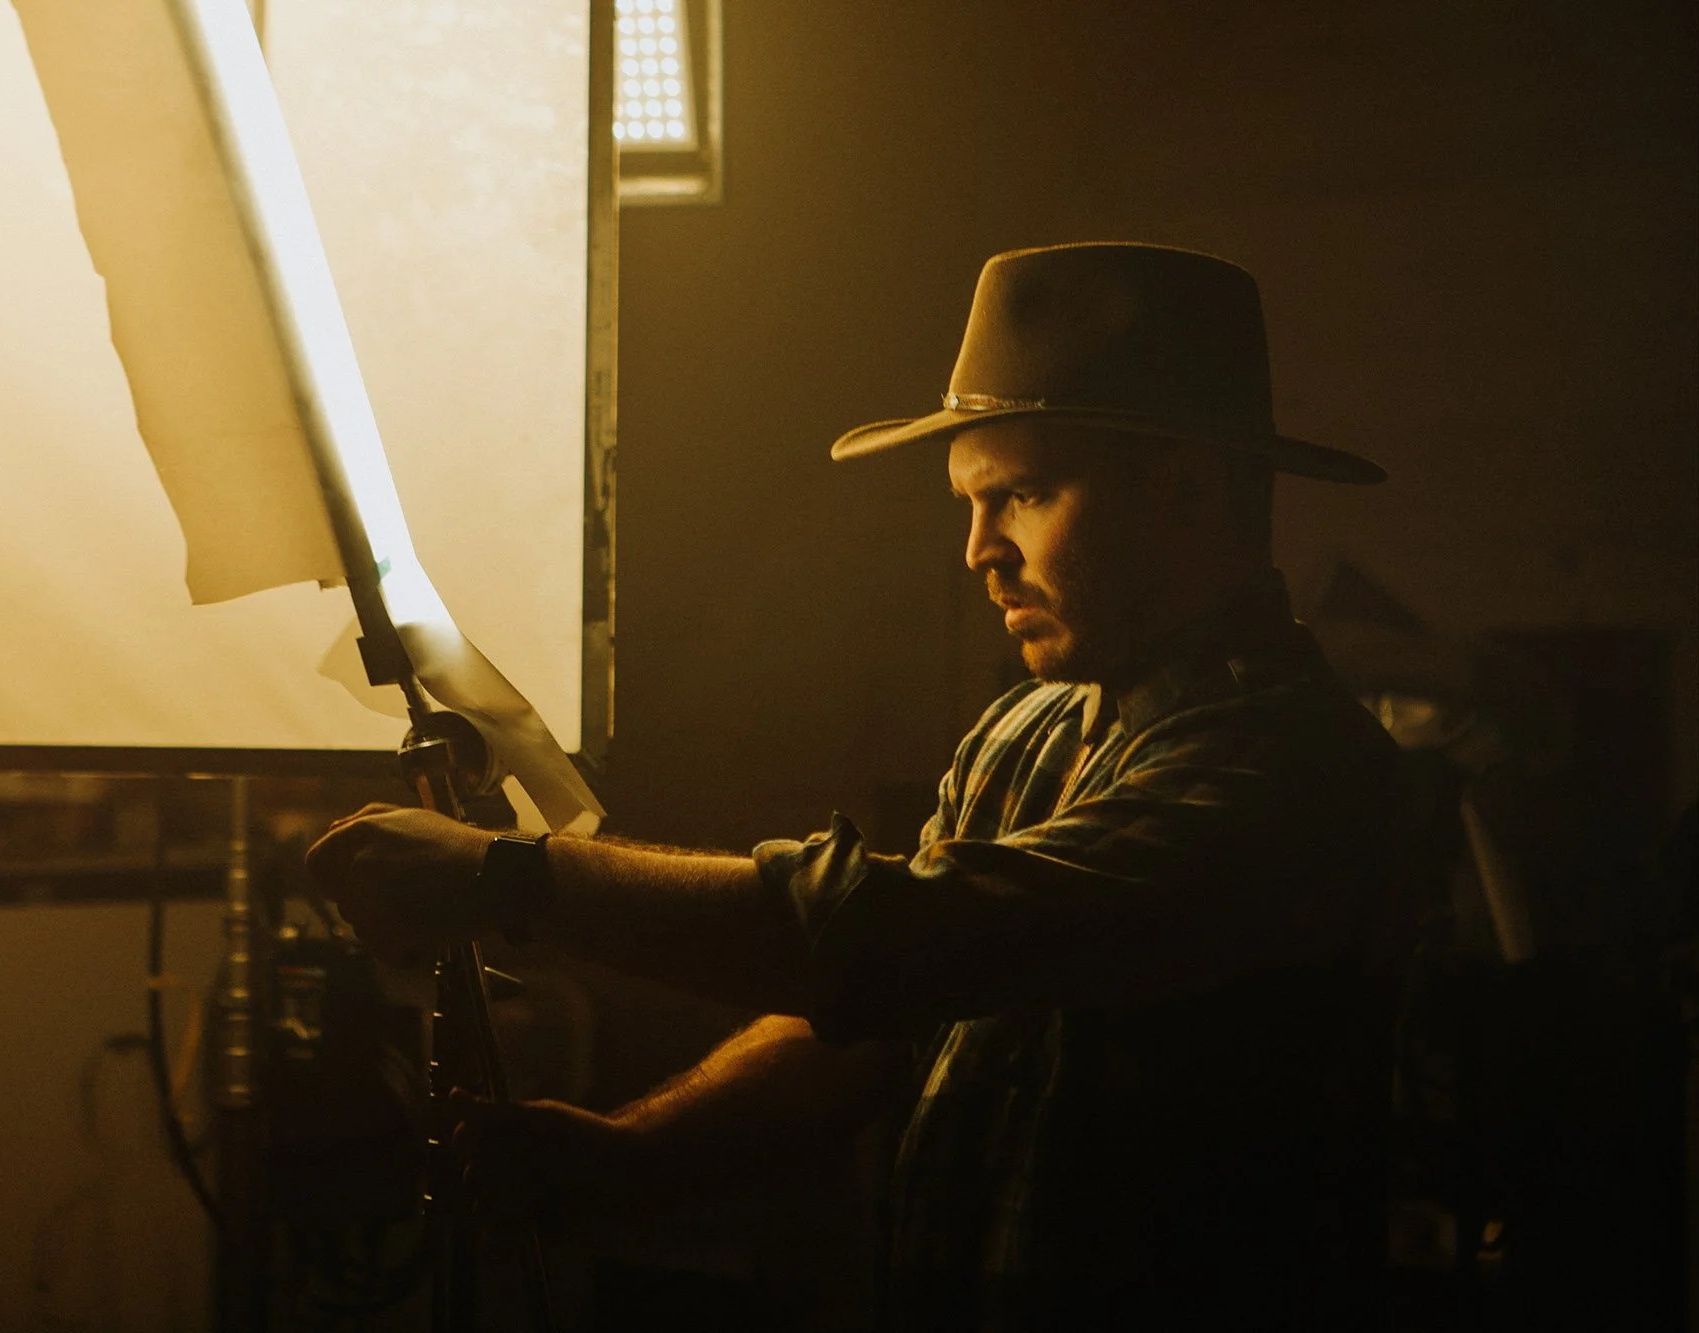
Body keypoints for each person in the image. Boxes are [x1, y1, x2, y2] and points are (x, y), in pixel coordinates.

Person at [307, 243, 1401, 1330]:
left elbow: (899, 943)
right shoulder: (1024, 732)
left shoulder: (1290, 766)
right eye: (967, 503)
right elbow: (876, 1021)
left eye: (1018, 495)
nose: (977, 550)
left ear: (1185, 487)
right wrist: (633, 1156)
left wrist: (510, 879)